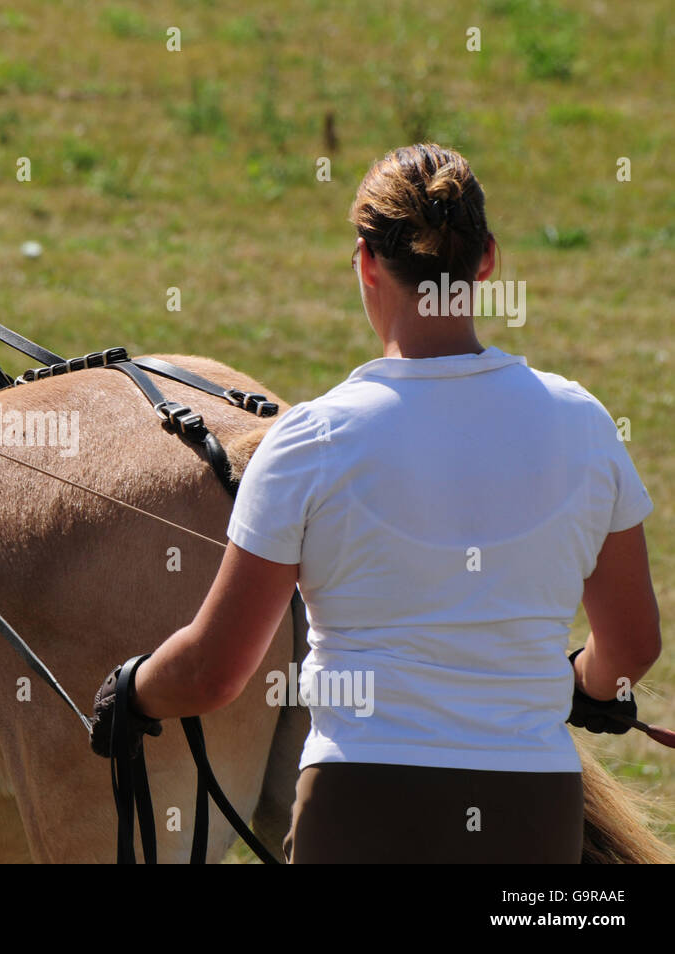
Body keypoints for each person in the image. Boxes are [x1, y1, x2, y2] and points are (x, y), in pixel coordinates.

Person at [91, 143, 662, 863]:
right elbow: (633, 646)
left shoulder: (311, 441)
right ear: (485, 260)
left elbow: (215, 671)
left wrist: (135, 690)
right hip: (535, 813)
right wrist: (584, 685)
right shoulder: (582, 424)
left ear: (365, 262)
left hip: (361, 810)